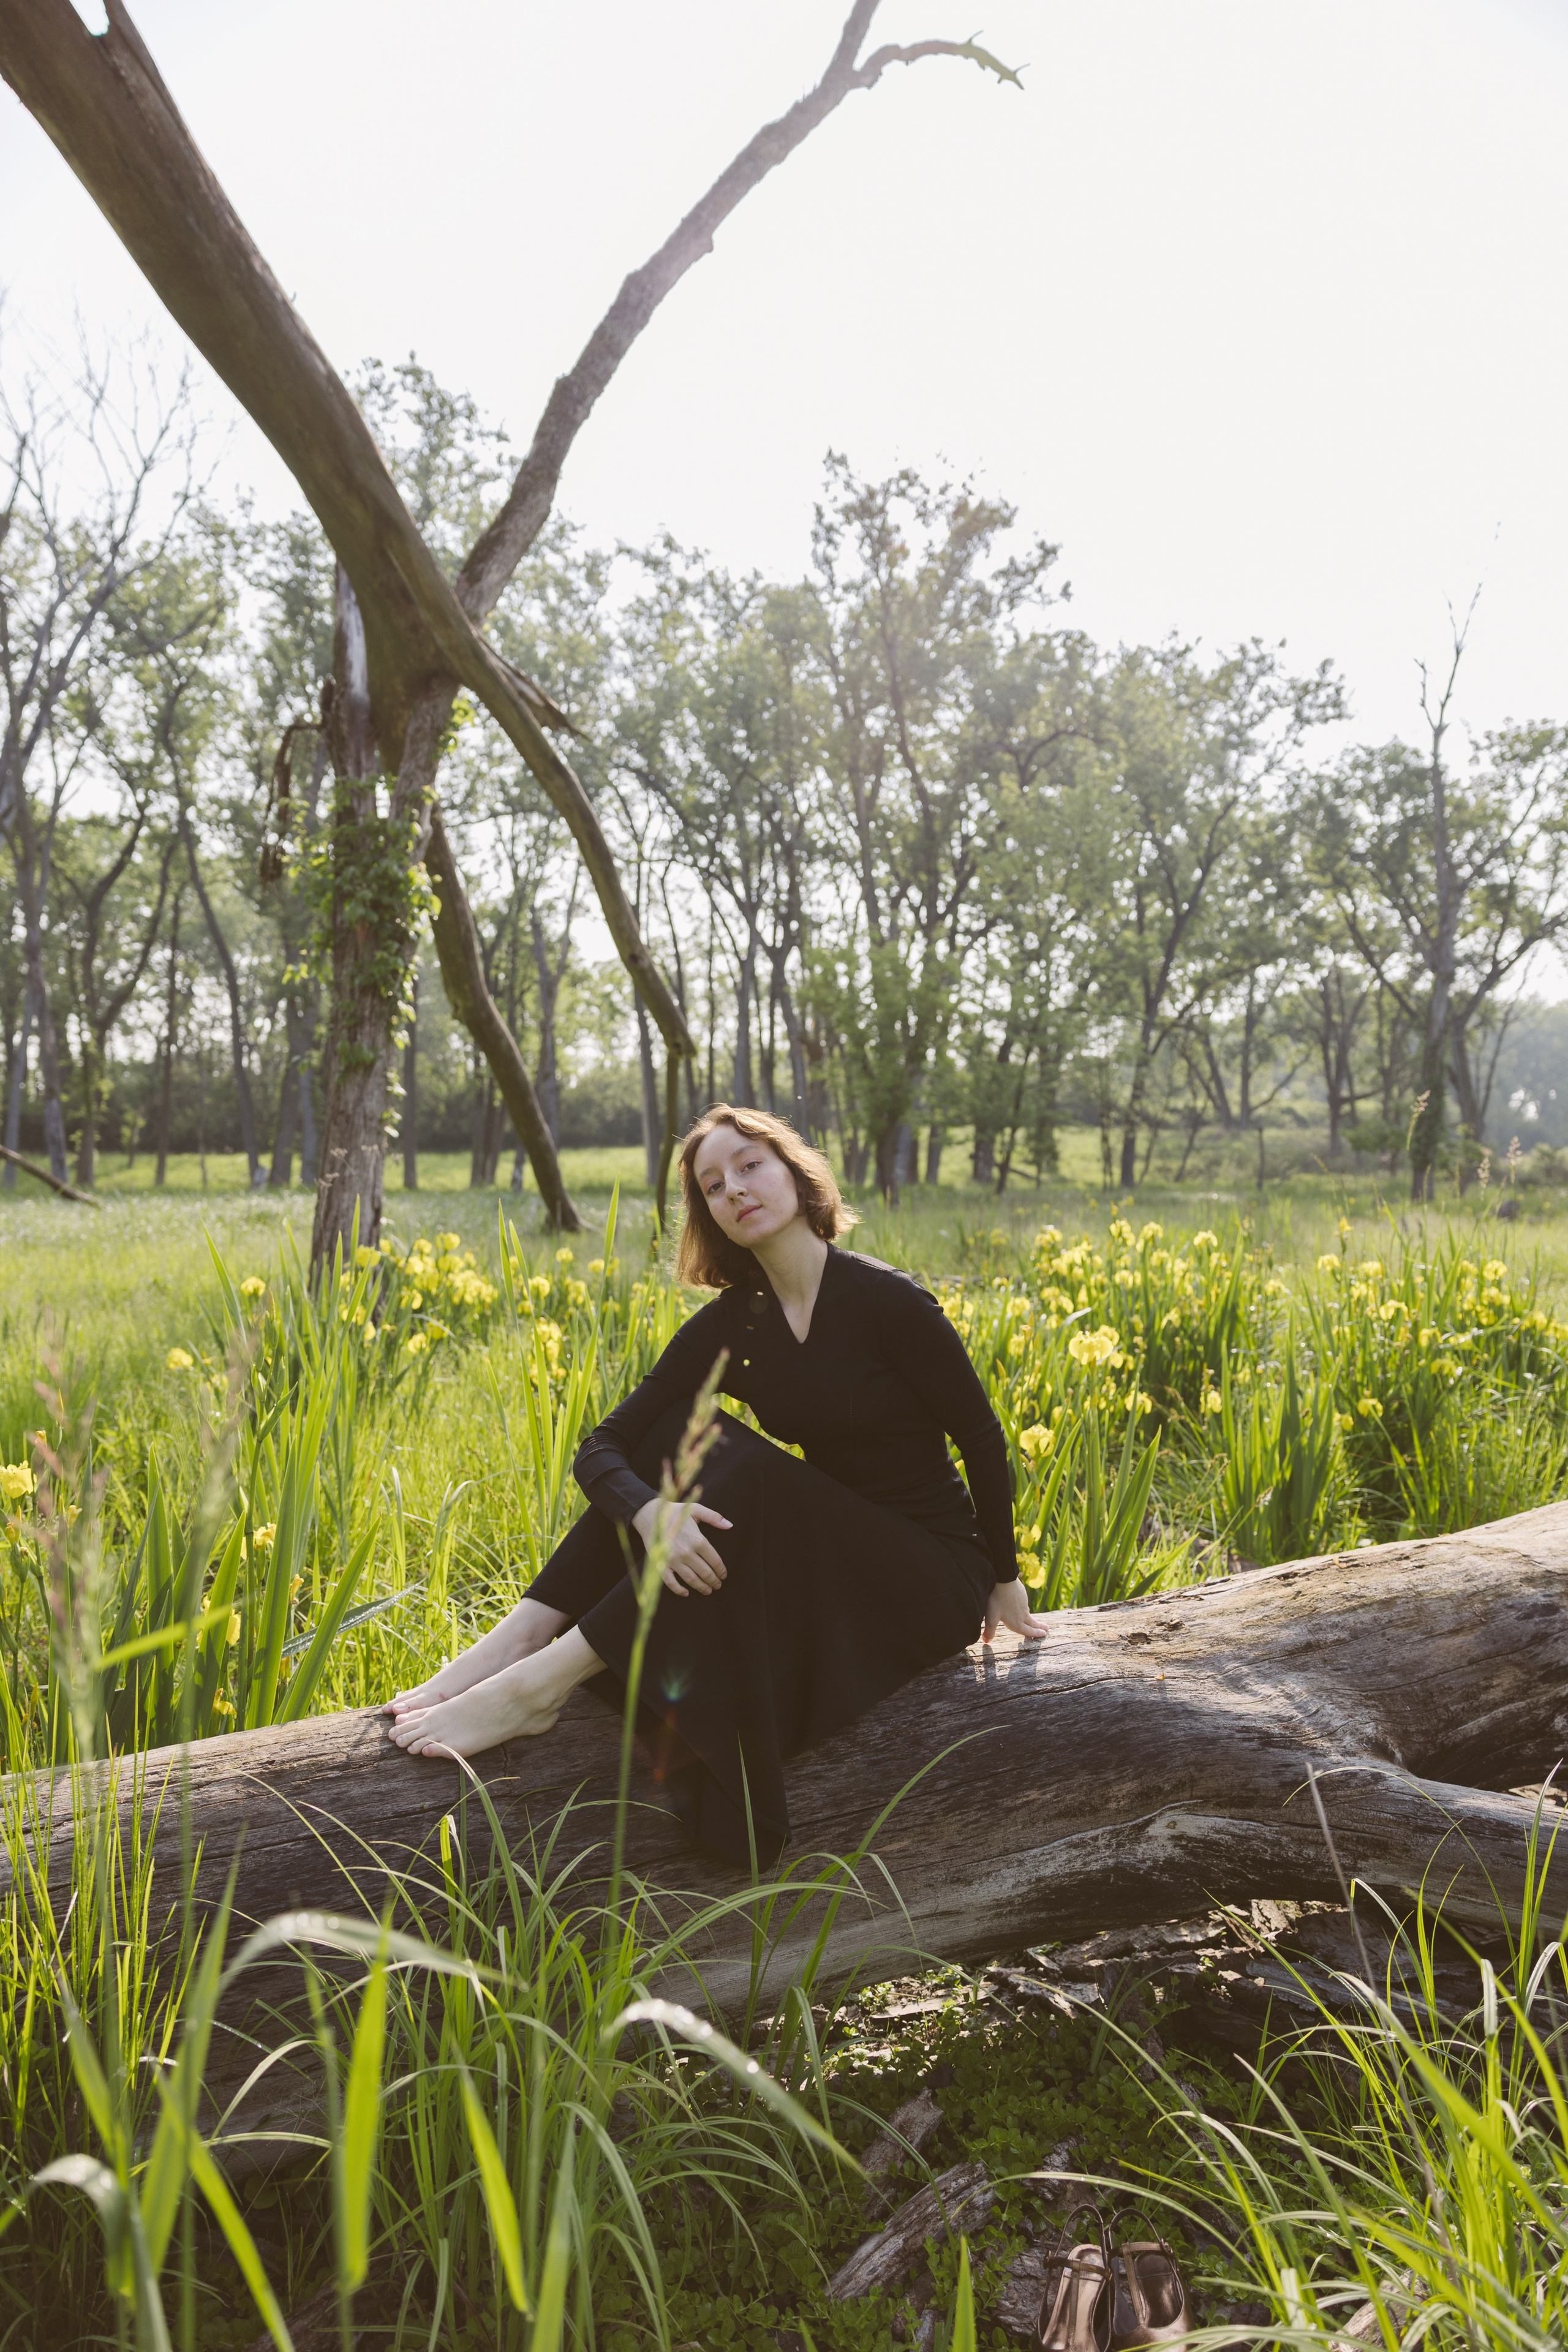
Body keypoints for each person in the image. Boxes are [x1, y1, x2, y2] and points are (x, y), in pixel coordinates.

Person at [386, 1106, 1048, 1863]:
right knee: (673, 1442)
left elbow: (982, 1438)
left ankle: (540, 1683)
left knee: (738, 1468)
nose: (734, 1189)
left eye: (750, 1165)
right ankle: (521, 1638)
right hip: (821, 1559)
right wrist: (648, 1516)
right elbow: (604, 1446)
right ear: (708, 1216)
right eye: (712, 1185)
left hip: (925, 1574)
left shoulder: (888, 1303)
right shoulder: (736, 1324)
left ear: (797, 1175)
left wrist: (1002, 1575)